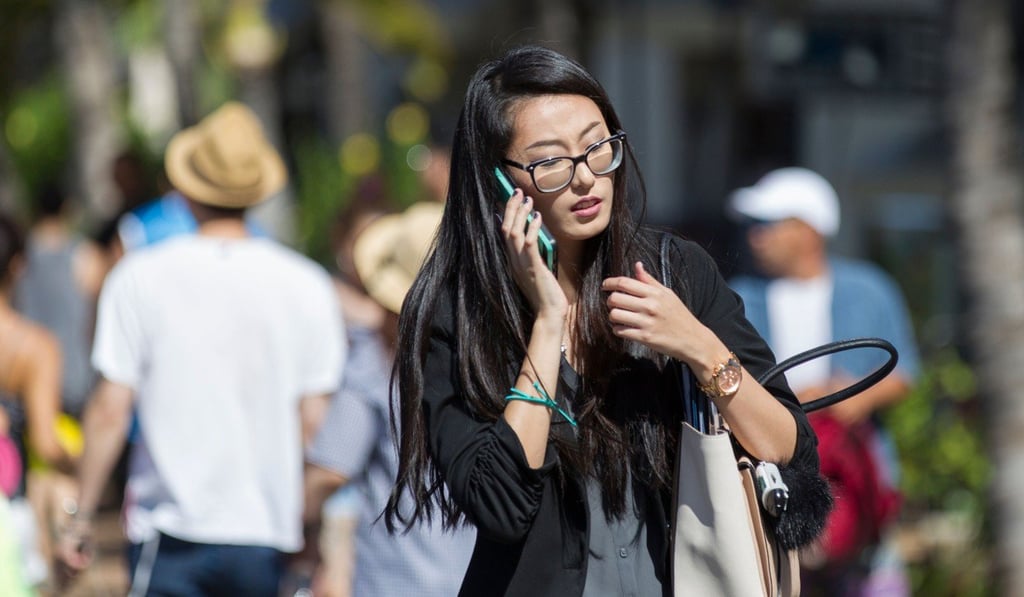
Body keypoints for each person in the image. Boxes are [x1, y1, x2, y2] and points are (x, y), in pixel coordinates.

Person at [384, 45, 827, 596]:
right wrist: (547, 323)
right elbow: (500, 506)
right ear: (500, 182)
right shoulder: (456, 316)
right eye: (550, 162)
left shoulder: (676, 274)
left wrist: (700, 346)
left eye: (598, 148)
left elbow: (788, 447)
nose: (585, 178)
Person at [56, 101, 345, 596]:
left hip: (170, 532)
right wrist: (312, 528)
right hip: (267, 533)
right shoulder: (308, 285)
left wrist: (80, 515)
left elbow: (109, 410)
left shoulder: (140, 277)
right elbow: (315, 423)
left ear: (186, 191)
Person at [727, 167, 921, 596]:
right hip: (775, 477)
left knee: (872, 580)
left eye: (769, 224)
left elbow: (905, 373)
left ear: (808, 230)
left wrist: (854, 396)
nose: (756, 236)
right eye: (755, 225)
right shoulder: (738, 295)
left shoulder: (869, 288)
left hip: (858, 477)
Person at [303, 201, 475, 597]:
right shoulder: (493, 361)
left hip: (401, 577)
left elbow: (330, 470)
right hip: (486, 574)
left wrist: (301, 526)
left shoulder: (377, 362)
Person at [0, 211, 78, 592]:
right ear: (18, 265)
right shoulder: (34, 346)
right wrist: (82, 461)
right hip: (8, 509)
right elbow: (47, 443)